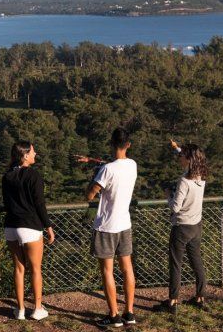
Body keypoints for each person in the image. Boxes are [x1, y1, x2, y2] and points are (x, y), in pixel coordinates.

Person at [81, 127, 137, 327]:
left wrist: (94, 174)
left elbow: (90, 195)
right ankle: (129, 312)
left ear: (111, 144)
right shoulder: (132, 165)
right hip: (125, 223)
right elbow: (117, 165)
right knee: (127, 268)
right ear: (128, 145)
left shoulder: (106, 170)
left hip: (106, 226)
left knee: (107, 271)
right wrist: (95, 162)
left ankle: (113, 315)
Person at [2, 141, 55, 321]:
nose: (35, 154)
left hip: (11, 226)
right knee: (35, 269)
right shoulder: (33, 176)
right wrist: (48, 226)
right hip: (30, 227)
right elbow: (39, 203)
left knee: (18, 268)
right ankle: (38, 308)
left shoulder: (7, 176)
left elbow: (6, 203)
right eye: (33, 151)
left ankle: (21, 309)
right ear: (25, 155)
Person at [154, 140, 208, 314]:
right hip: (196, 226)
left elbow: (175, 207)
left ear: (189, 159)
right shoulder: (200, 176)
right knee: (196, 261)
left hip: (182, 227)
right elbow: (188, 163)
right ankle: (200, 297)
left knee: (176, 264)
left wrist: (169, 194)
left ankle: (172, 302)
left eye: (182, 155)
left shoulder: (184, 181)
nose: (180, 157)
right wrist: (176, 148)